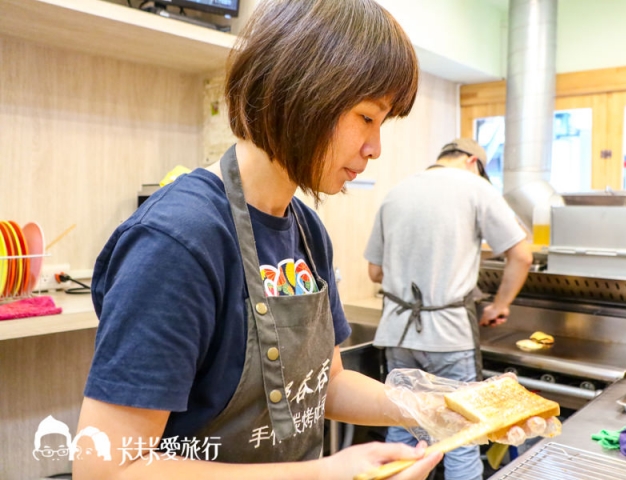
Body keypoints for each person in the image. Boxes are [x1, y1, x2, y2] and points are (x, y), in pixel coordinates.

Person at [73, 1, 443, 479]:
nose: (375, 148)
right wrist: (325, 474)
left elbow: (326, 386)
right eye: (367, 118)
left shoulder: (307, 231)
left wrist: (432, 405)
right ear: (305, 94)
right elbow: (105, 470)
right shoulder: (178, 241)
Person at [364, 138, 533, 480]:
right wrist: (500, 305)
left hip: (398, 333)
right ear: (473, 162)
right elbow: (522, 255)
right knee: (461, 436)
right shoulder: (475, 187)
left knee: (402, 428)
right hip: (449, 336)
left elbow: (375, 272)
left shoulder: (397, 192)